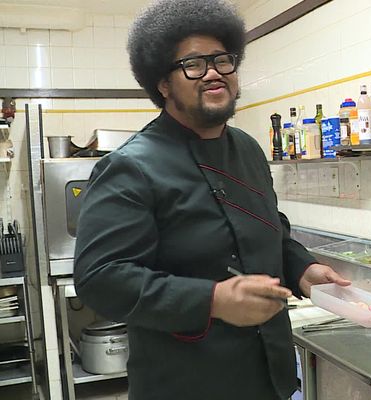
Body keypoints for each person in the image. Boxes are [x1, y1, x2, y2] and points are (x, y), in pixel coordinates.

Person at [73, 0, 350, 399]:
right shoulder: (131, 167)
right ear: (163, 84)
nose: (213, 73)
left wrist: (303, 269)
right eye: (193, 64)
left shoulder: (249, 150)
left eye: (222, 60)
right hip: (186, 383)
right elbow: (100, 279)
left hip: (270, 377)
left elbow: (271, 229)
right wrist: (213, 300)